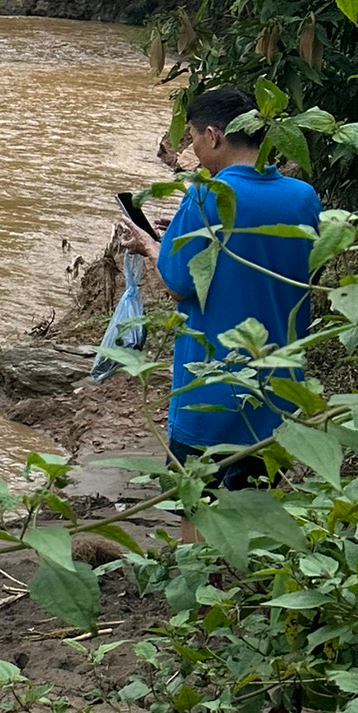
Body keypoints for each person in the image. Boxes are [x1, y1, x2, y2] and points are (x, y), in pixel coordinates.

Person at [121, 84, 320, 487]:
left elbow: (178, 284)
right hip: (278, 390)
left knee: (197, 506)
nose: (192, 149)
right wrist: (178, 231)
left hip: (210, 388)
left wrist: (150, 246)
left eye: (192, 138)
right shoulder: (303, 197)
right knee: (254, 504)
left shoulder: (203, 197)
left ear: (213, 136)